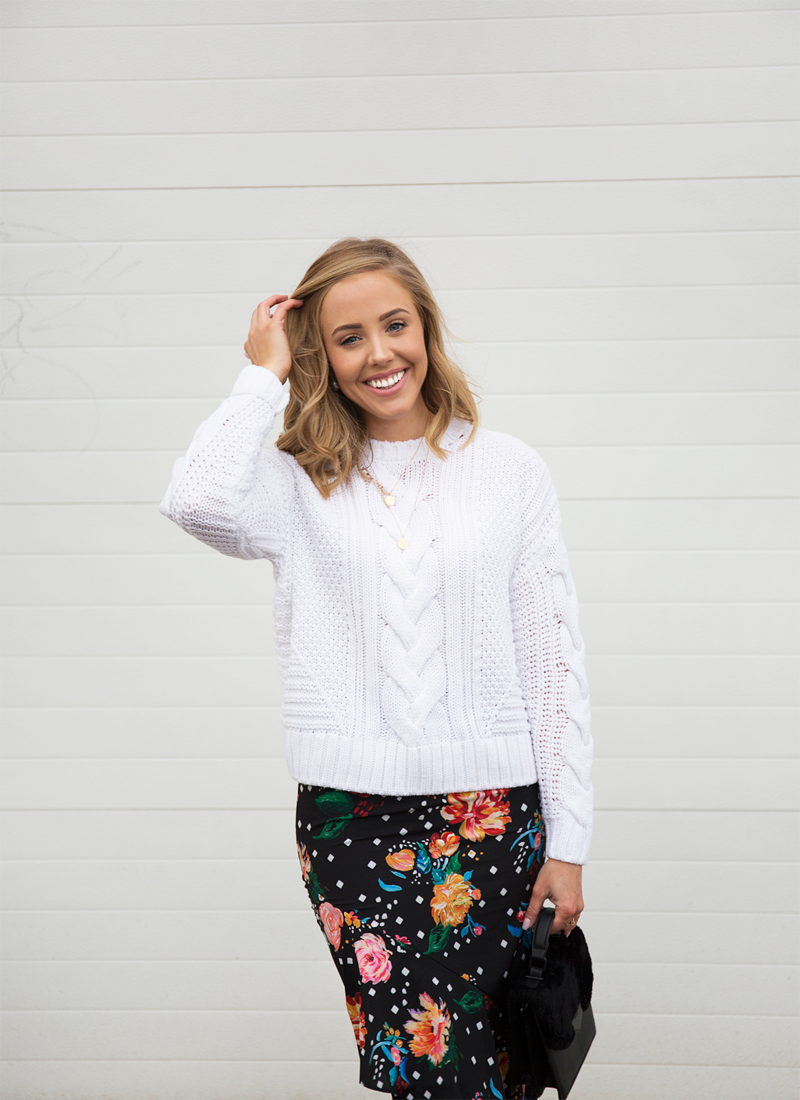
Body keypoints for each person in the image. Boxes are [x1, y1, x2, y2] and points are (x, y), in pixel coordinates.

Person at [160, 237, 593, 1100]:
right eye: (348, 337)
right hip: (351, 823)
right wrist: (262, 374)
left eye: (395, 325)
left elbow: (553, 665)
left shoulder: (508, 471)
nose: (379, 353)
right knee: (429, 1069)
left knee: (502, 1067)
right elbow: (195, 498)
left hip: (495, 818)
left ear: (426, 329)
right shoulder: (297, 479)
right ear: (322, 355)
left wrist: (570, 842)